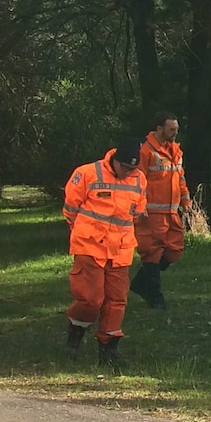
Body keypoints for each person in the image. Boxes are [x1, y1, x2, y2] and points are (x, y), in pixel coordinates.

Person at [62, 137, 147, 370]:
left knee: (117, 300)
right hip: (90, 245)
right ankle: (76, 329)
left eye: (133, 168)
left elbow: (136, 213)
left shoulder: (139, 179)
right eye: (125, 168)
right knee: (91, 299)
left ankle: (108, 348)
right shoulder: (88, 173)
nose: (128, 172)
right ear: (114, 160)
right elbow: (70, 209)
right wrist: (82, 232)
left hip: (120, 249)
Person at [130, 112, 190, 309]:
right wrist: (139, 207)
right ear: (159, 128)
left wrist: (186, 201)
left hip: (172, 212)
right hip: (151, 214)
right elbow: (137, 181)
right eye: (171, 129)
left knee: (175, 250)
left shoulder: (175, 151)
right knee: (152, 253)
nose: (175, 133)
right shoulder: (145, 151)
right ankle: (155, 297)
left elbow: (180, 178)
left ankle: (140, 283)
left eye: (176, 129)